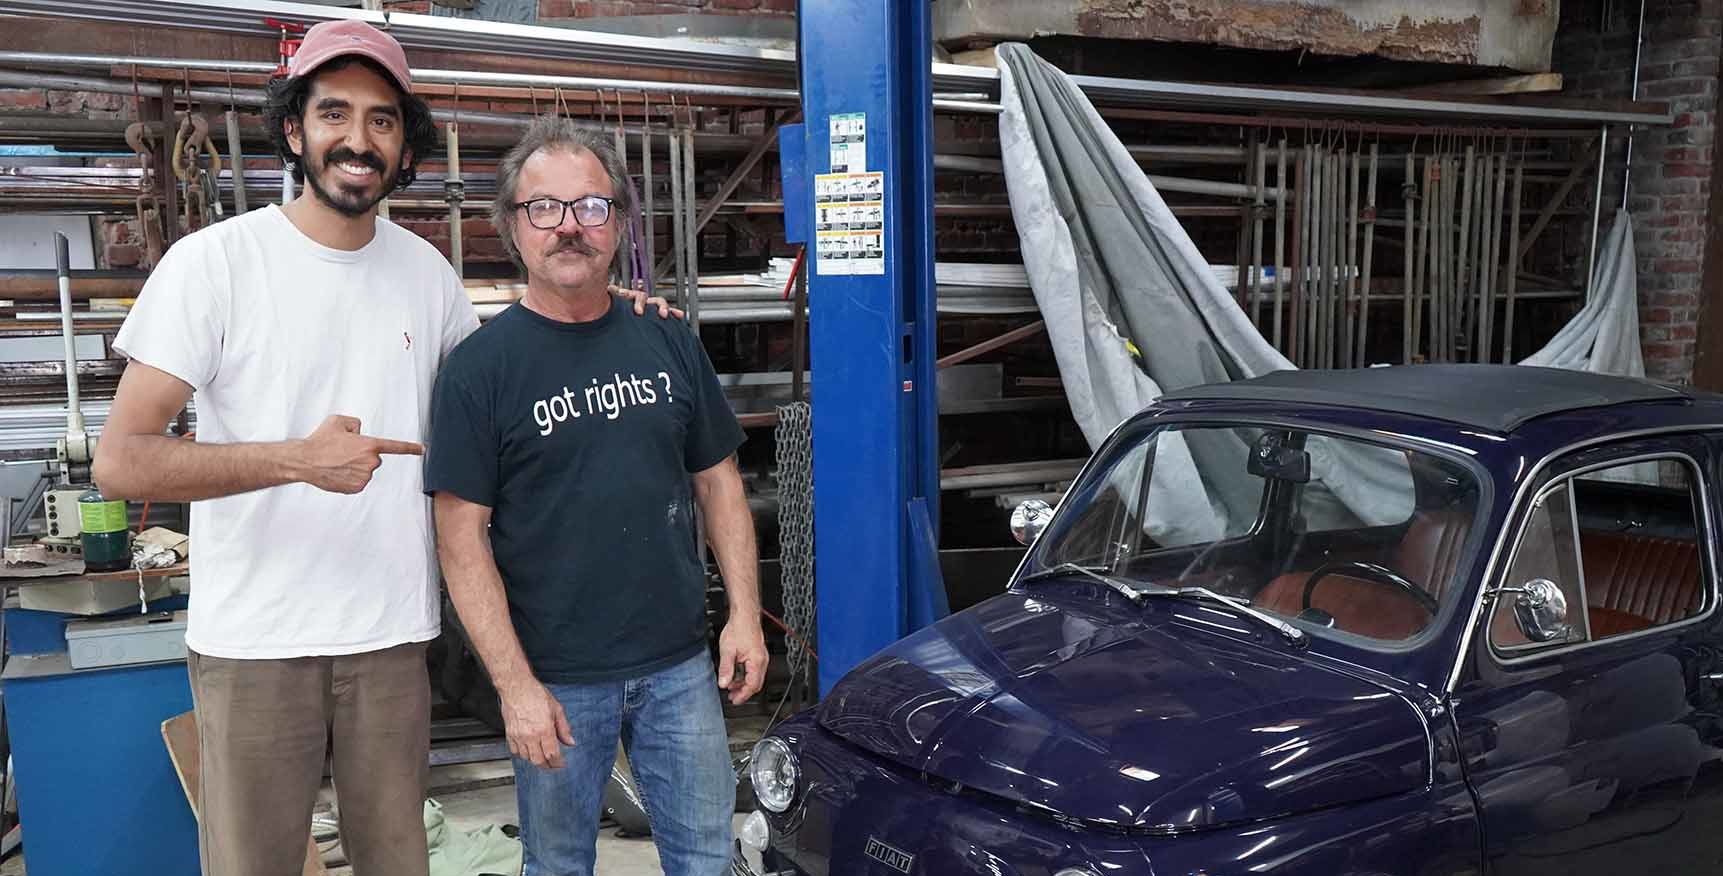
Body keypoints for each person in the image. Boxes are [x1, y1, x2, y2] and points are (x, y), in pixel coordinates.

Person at [91, 22, 669, 876]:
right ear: (294, 129)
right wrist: (293, 460)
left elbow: (501, 398)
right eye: (334, 114)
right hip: (257, 642)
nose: (358, 140)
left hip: (391, 639)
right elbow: (121, 459)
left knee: (398, 861)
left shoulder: (424, 274)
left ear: (405, 146)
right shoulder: (214, 264)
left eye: (382, 120)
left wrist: (603, 312)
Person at [426, 115, 768, 876]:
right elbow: (459, 539)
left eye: (591, 206)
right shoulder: (479, 371)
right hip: (555, 677)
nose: (568, 227)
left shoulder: (667, 338)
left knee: (708, 860)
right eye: (543, 207)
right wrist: (514, 687)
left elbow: (717, 483)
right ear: (512, 228)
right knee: (556, 866)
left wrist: (742, 616)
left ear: (619, 222)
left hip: (680, 667)